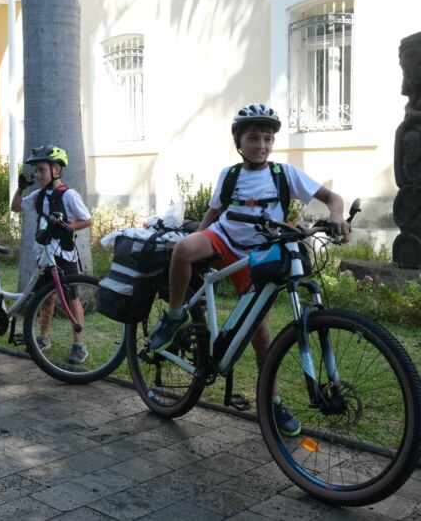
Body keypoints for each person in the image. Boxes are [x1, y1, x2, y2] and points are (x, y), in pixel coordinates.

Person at [149, 103, 350, 436]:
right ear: (238, 141)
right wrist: (195, 233)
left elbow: (333, 198)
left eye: (268, 139)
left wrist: (338, 216)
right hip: (223, 238)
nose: (262, 145)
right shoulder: (229, 176)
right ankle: (173, 316)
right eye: (254, 138)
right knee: (184, 249)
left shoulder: (284, 174)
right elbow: (214, 214)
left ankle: (271, 402)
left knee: (262, 336)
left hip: (258, 256)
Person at [11, 145, 93, 365]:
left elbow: (87, 219)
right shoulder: (38, 195)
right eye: (36, 171)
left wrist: (69, 227)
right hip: (44, 253)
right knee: (46, 296)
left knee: (71, 298)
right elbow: (15, 207)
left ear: (56, 170)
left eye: (41, 170)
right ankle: (44, 337)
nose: (37, 175)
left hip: (64, 255)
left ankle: (79, 344)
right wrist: (20, 189)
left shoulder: (69, 195)